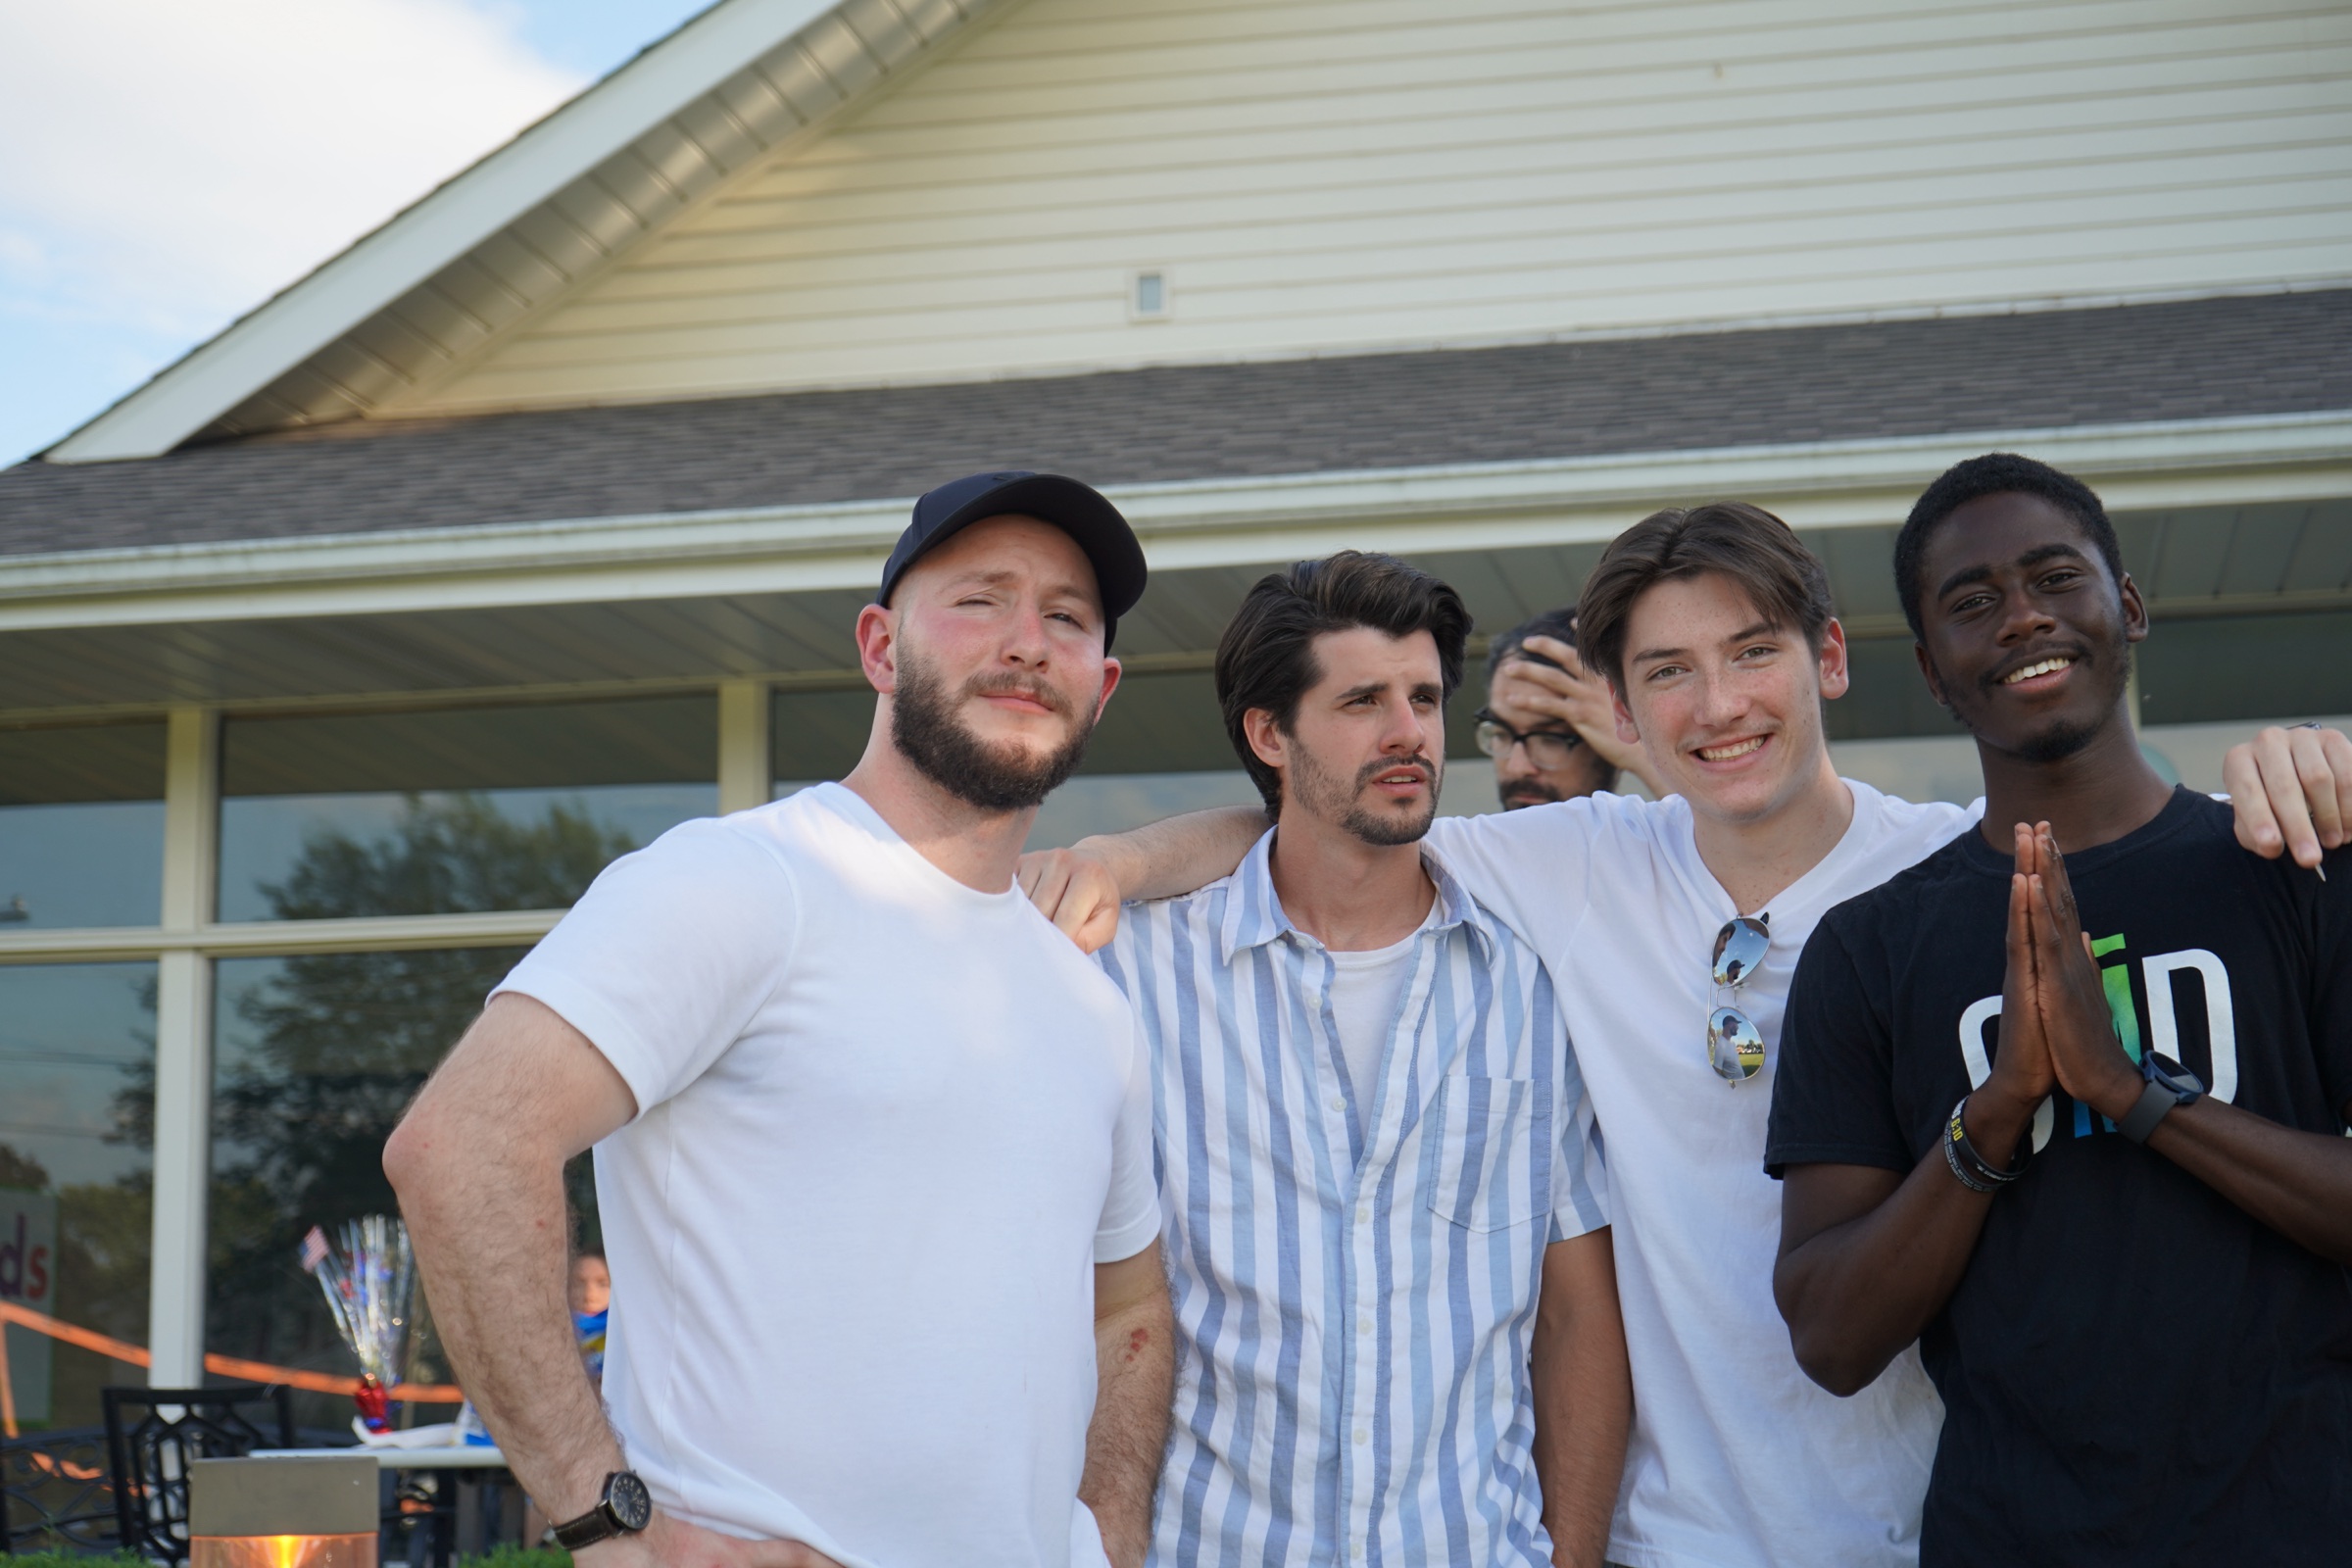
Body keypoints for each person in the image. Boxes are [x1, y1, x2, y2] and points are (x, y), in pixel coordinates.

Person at [1014, 502, 2347, 1568]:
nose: (1719, 708)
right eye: (1669, 674)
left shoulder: (1959, 881)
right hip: (1671, 1536)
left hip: (1930, 1515)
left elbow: (2135, 835)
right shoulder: (1577, 862)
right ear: (1624, 712)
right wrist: (1123, 857)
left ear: (1827, 658)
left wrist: (2294, 760)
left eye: (1752, 653)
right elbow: (1329, 817)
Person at [386, 470, 1174, 1568]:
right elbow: (462, 1146)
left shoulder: (1090, 1003)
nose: (1028, 641)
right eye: (981, 598)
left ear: (1104, 683)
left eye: (1067, 617)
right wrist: (602, 1520)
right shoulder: (749, 880)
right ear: (880, 647)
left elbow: (1126, 1303)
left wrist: (1111, 1533)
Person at [1767, 454, 2352, 1565]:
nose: (2023, 616)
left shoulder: (2297, 869)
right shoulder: (1870, 948)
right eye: (1972, 603)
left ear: (2126, 605)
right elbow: (1832, 1335)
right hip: (2014, 1536)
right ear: (1935, 672)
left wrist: (2132, 1094)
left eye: (2054, 577)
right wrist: (1998, 1110)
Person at [1094, 553, 1628, 1567]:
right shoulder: (1138, 975)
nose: (1408, 732)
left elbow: (1575, 1314)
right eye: (1363, 700)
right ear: (1269, 734)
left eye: (1424, 697)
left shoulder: (1530, 976)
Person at [1477, 610, 1665, 806]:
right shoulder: (1461, 835)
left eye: (1550, 739)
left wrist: (1641, 752)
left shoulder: (1655, 834)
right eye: (1501, 734)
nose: (1517, 768)